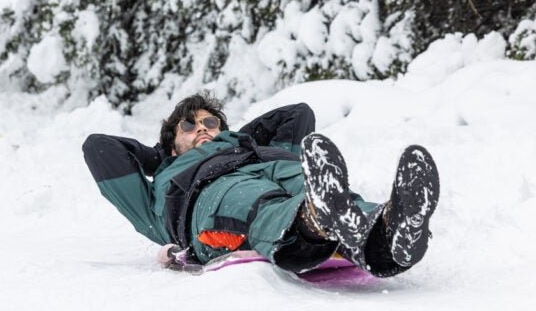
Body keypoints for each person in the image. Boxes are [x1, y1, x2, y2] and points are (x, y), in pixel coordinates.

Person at [82, 92, 440, 278]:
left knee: (314, 186)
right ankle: (313, 222)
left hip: (269, 165)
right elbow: (99, 147)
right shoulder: (163, 181)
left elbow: (297, 113)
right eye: (188, 126)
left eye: (210, 122)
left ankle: (389, 228)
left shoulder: (254, 147)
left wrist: (235, 141)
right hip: (205, 195)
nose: (202, 128)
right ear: (171, 141)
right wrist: (161, 157)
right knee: (257, 202)